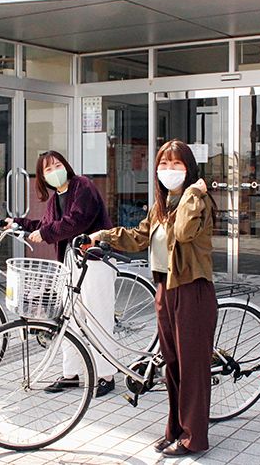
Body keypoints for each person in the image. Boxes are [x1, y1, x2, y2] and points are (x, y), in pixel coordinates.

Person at [90, 140, 218, 458]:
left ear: (190, 169)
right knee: (172, 365)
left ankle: (194, 437)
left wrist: (193, 192)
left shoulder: (196, 201)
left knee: (192, 368)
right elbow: (139, 237)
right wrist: (103, 235)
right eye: (163, 164)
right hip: (165, 289)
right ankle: (175, 429)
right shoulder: (163, 205)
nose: (168, 171)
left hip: (192, 291)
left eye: (176, 165)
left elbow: (185, 233)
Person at [6, 150, 117, 398]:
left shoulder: (83, 186)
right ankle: (71, 374)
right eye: (47, 169)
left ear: (66, 166)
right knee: (69, 319)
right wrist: (17, 223)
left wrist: (45, 234)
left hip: (94, 260)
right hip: (70, 263)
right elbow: (46, 226)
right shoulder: (55, 198)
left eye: (57, 164)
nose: (54, 170)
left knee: (98, 318)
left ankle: (105, 375)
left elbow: (76, 222)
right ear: (43, 178)